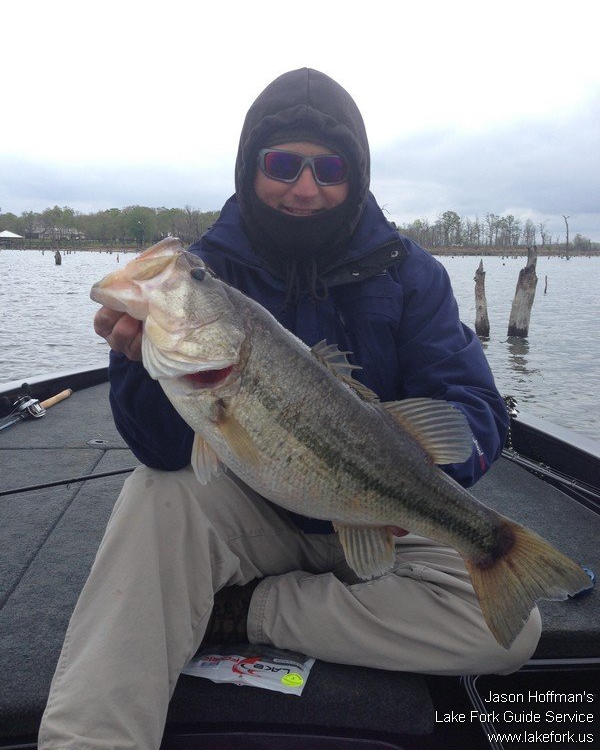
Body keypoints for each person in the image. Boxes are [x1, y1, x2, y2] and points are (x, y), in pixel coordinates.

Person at [39, 68, 541, 750]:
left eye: (329, 169)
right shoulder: (211, 269)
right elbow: (162, 449)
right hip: (255, 509)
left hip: (379, 515)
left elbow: (473, 404)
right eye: (282, 165)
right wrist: (136, 360)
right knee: (157, 494)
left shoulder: (411, 271)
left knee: (510, 631)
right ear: (250, 169)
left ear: (355, 177)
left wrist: (421, 481)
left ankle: (244, 611)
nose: (305, 188)